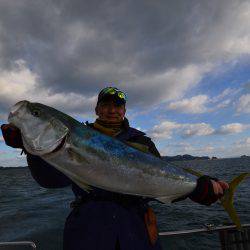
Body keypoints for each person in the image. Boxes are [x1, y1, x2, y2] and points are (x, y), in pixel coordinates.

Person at [1, 86, 229, 250]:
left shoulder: (143, 143)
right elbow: (51, 181)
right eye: (106, 105)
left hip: (136, 228)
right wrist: (31, 151)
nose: (112, 110)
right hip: (89, 227)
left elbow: (160, 183)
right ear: (97, 109)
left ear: (124, 111)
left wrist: (197, 188)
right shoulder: (77, 136)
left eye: (118, 106)